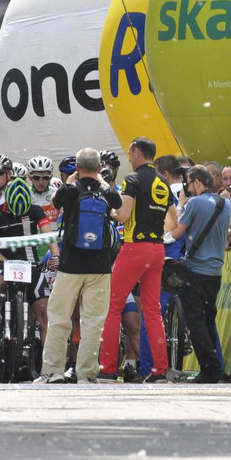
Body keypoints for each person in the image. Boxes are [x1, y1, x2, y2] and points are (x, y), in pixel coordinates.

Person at [37, 148, 121, 384]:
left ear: (77, 168)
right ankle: (86, 373)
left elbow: (55, 202)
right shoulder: (107, 192)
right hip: (100, 265)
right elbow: (118, 204)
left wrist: (73, 179)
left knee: (59, 317)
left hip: (71, 264)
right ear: (98, 168)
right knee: (93, 322)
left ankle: (53, 371)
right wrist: (101, 180)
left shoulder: (70, 190)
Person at [100, 136, 172, 382]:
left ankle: (108, 368)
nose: (129, 159)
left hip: (134, 249)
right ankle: (159, 370)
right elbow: (173, 220)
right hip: (158, 248)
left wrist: (110, 211)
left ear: (137, 153)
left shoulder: (132, 180)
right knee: (153, 310)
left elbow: (122, 215)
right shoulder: (163, 182)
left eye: (130, 154)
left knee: (113, 307)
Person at [167, 166, 231, 383]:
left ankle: (210, 369)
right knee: (208, 318)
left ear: (196, 183)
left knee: (195, 321)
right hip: (215, 271)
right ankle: (215, 367)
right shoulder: (226, 204)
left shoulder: (194, 203)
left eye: (188, 182)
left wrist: (182, 203)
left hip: (196, 269)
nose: (187, 186)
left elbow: (176, 232)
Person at [0, 177, 59, 347]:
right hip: (4, 263)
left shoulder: (36, 210)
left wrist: (55, 256)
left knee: (45, 315)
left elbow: (49, 236)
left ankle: (48, 368)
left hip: (31, 264)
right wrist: (5, 263)